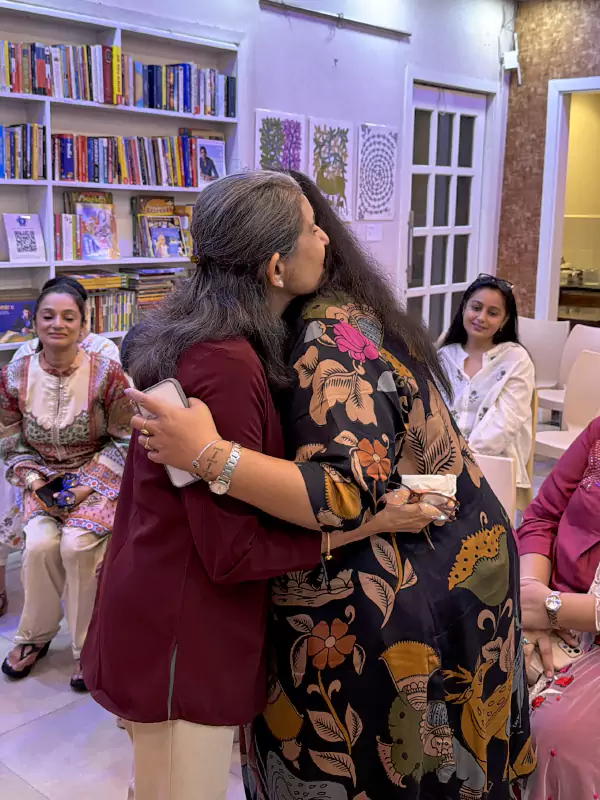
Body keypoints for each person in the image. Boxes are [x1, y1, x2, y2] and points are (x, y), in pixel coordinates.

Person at [125, 170, 534, 799]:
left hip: (426, 564)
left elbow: (345, 490)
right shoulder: (254, 339)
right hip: (443, 540)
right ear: (273, 263)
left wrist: (211, 455)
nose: (327, 237)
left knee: (396, 760)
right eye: (313, 227)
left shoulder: (326, 331)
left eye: (319, 223)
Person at [0, 281, 131, 690]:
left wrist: (83, 487)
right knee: (38, 545)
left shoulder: (108, 373)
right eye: (48, 316)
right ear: (35, 322)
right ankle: (34, 638)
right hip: (41, 477)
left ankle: (86, 648)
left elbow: (126, 438)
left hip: (96, 478)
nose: (57, 324)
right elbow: (9, 439)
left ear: (84, 324)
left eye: (68, 317)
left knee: (77, 546)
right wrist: (36, 480)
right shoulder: (13, 375)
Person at [516, 416, 600, 800]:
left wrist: (552, 609)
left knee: (559, 738)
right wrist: (530, 591)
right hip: (549, 604)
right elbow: (543, 516)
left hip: (575, 623)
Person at [439, 274, 535, 490]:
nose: (481, 317)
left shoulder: (515, 359)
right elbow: (432, 411)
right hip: (442, 462)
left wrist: (464, 460)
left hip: (494, 465)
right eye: (476, 307)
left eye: (492, 313)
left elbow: (506, 421)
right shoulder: (444, 356)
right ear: (464, 308)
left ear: (505, 320)